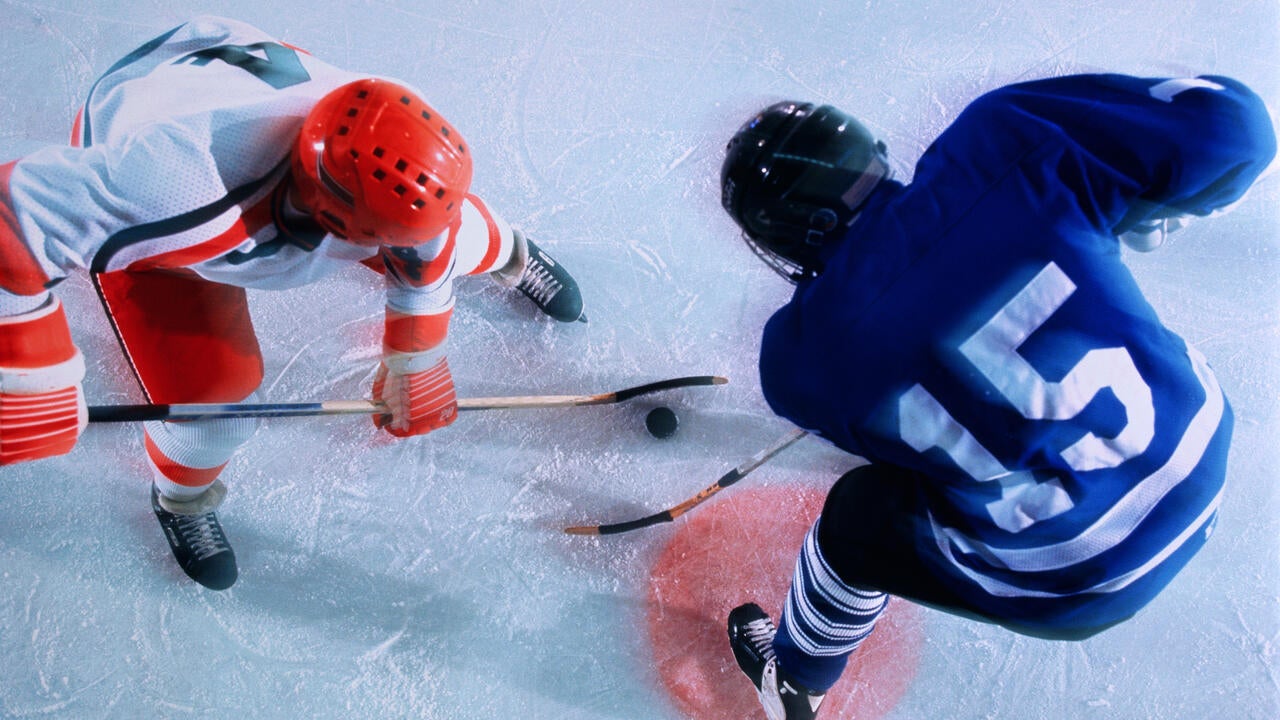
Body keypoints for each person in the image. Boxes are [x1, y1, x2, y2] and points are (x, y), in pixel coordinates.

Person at [717, 73, 1275, 719]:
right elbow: (1239, 129)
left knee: (856, 520)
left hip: (1078, 578)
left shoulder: (796, 361)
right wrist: (1145, 209)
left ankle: (795, 677)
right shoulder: (1002, 141)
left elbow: (908, 443)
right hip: (1197, 449)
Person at [0, 16, 586, 591]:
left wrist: (417, 357)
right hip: (144, 162)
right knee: (213, 409)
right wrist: (31, 374)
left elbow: (432, 238)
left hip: (214, 75)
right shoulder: (180, 186)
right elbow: (11, 219)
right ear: (330, 216)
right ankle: (181, 499)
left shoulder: (393, 136)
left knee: (454, 242)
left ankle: (512, 253)